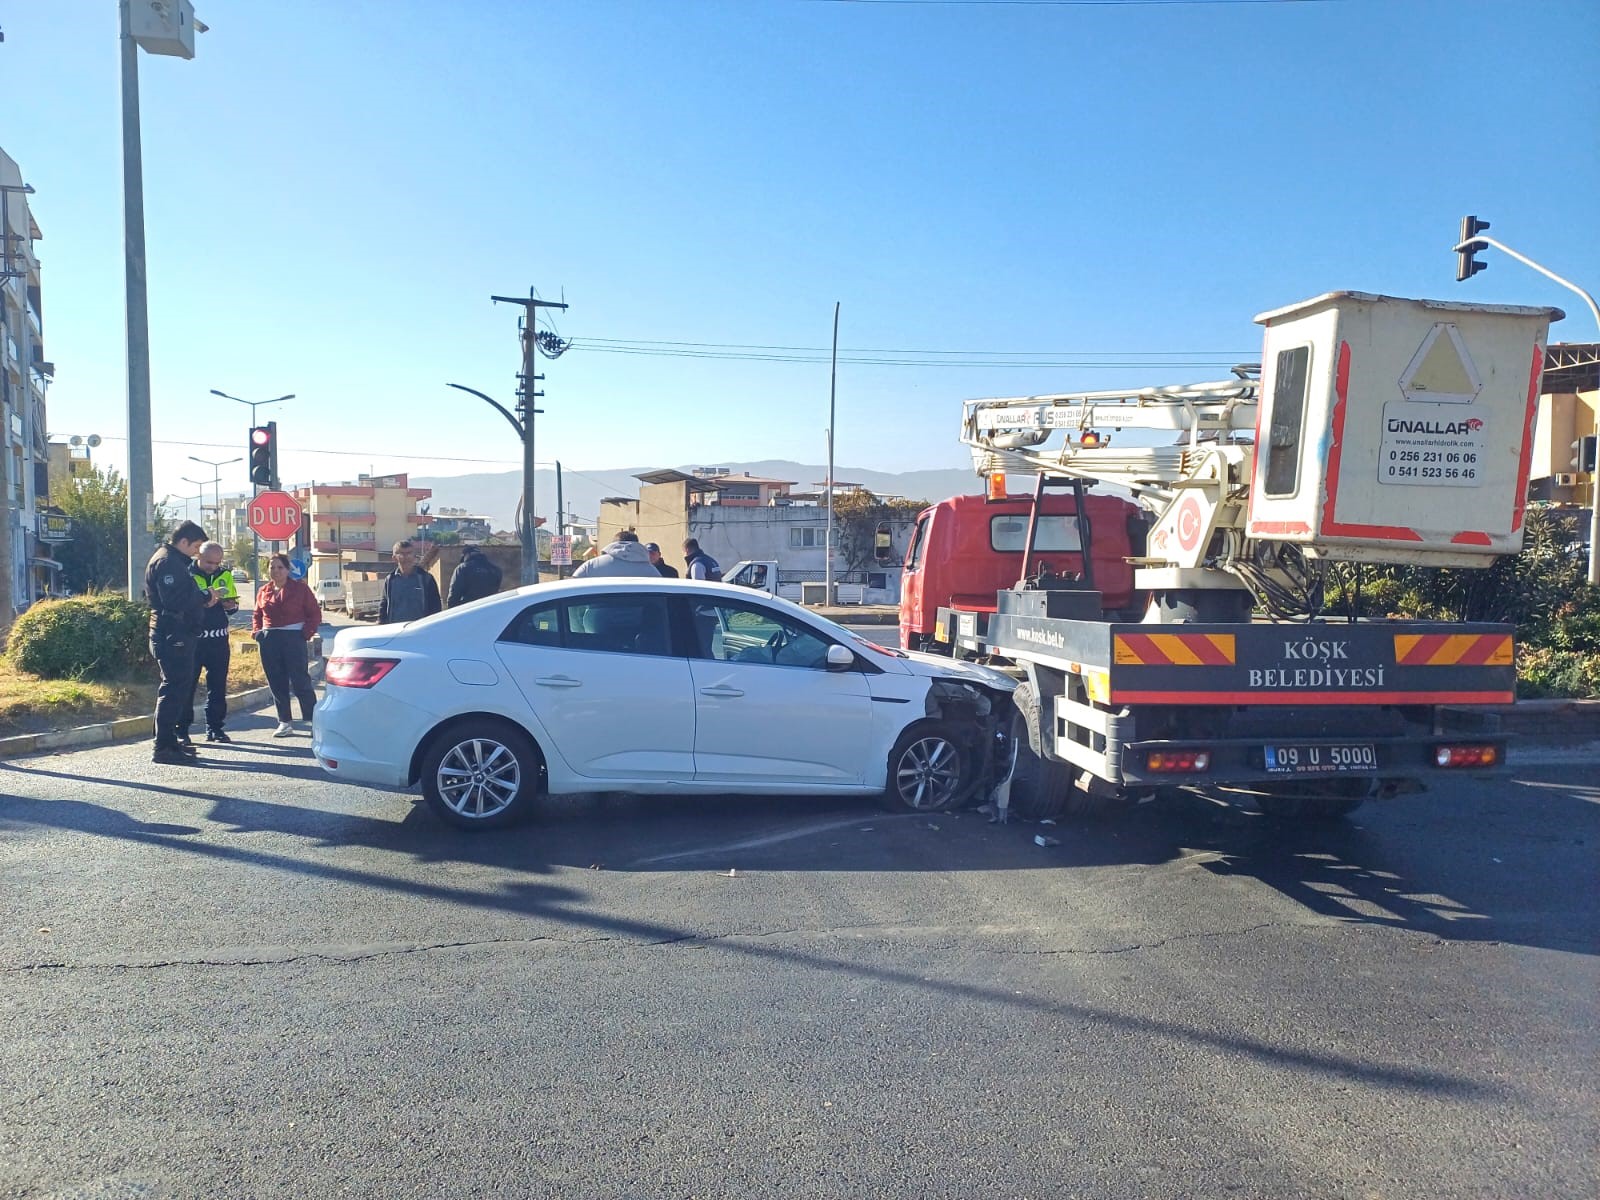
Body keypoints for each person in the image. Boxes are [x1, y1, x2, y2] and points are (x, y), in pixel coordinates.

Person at [145, 520, 220, 765]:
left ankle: (167, 742)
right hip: (172, 633)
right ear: (183, 541)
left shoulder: (174, 560)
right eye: (195, 546)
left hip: (176, 632)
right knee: (174, 689)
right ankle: (163, 747)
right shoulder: (168, 562)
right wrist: (203, 597)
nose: (197, 552)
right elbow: (175, 600)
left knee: (175, 688)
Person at [252, 553, 321, 737]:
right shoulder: (263, 590)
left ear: (288, 570)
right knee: (276, 682)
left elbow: (314, 614)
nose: (276, 571)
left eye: (280, 567)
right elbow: (257, 615)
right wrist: (257, 632)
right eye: (272, 567)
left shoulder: (300, 589)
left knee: (300, 681)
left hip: (293, 638)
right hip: (270, 640)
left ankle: (313, 720)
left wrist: (305, 634)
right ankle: (284, 721)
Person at [188, 541, 240, 744]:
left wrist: (230, 604)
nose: (213, 566)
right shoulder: (187, 574)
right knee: (187, 686)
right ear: (198, 556)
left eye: (217, 563)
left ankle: (215, 728)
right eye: (209, 562)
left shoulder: (225, 574)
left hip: (218, 639)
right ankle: (182, 730)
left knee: (217, 687)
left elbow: (233, 606)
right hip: (194, 640)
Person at [378, 539, 442, 624]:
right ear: (394, 558)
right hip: (396, 631)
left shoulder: (426, 579)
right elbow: (384, 605)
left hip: (420, 630)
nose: (406, 557)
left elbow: (435, 607)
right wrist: (381, 624)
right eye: (401, 554)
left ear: (415, 557)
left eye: (409, 553)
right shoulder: (390, 580)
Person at [571, 529, 658, 578]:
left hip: (598, 610)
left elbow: (571, 589)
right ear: (637, 545)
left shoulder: (591, 566)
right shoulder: (650, 571)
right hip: (643, 611)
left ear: (613, 545)